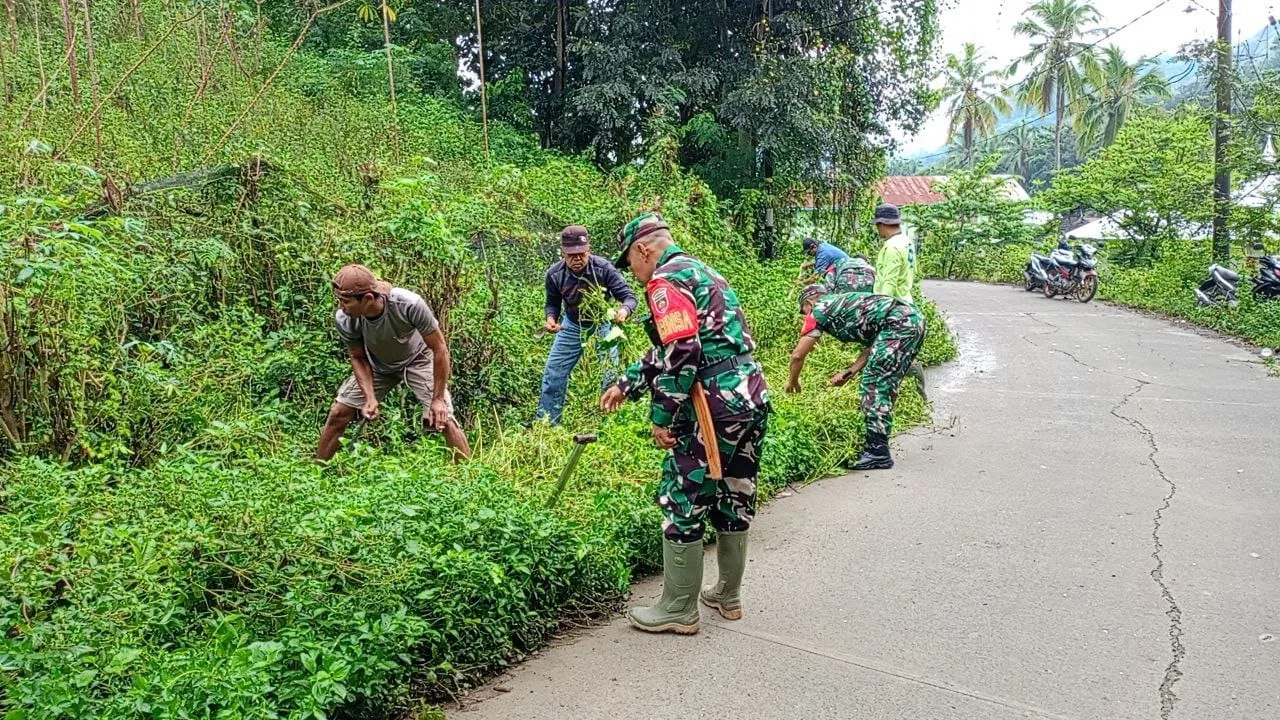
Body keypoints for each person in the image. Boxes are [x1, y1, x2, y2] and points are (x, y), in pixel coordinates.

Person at [600, 212, 771, 636]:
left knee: (682, 496)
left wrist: (662, 416)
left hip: (712, 405)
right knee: (735, 491)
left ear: (643, 250)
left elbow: (682, 353)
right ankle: (728, 595)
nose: (632, 273)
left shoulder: (664, 282)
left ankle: (678, 608)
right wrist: (628, 383)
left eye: (629, 262)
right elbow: (680, 346)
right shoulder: (703, 272)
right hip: (749, 394)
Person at [316, 264, 472, 462]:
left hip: (419, 359)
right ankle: (317, 471)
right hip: (378, 365)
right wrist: (370, 397)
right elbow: (358, 357)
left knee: (444, 418)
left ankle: (469, 475)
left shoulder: (408, 304)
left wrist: (438, 399)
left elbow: (439, 348)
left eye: (346, 301)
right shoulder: (345, 319)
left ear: (368, 298)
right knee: (339, 412)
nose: (341, 307)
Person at [786, 284, 925, 471]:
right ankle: (878, 443)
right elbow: (874, 345)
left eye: (803, 311)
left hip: (899, 323)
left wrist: (793, 381)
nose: (805, 316)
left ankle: (878, 452)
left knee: (875, 383)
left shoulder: (818, 310)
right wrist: (849, 372)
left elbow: (798, 355)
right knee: (885, 381)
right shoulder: (846, 303)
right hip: (912, 319)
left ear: (809, 303)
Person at [537, 225, 638, 425]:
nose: (577, 259)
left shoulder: (603, 268)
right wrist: (551, 319)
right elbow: (552, 304)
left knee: (610, 373)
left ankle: (610, 421)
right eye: (571, 255)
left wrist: (624, 311)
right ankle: (547, 423)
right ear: (563, 253)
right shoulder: (555, 274)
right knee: (553, 372)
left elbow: (629, 297)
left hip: (602, 324)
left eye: (581, 254)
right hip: (572, 326)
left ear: (589, 250)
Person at [872, 204, 914, 305]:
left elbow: (890, 282)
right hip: (906, 301)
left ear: (882, 224)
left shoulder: (892, 247)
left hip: (893, 305)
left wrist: (882, 307)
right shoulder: (907, 242)